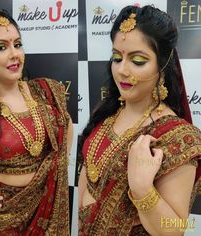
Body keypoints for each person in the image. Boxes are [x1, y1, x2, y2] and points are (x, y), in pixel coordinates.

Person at [78, 5, 201, 236]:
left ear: (162, 65)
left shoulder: (178, 136)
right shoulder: (107, 113)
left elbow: (175, 229)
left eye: (138, 61)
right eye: (117, 57)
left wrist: (143, 189)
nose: (122, 70)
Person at [0, 9, 73, 235]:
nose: (14, 54)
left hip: (48, 210)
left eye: (17, 44)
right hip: (5, 219)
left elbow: (67, 126)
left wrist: (56, 168)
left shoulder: (45, 92)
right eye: (1, 47)